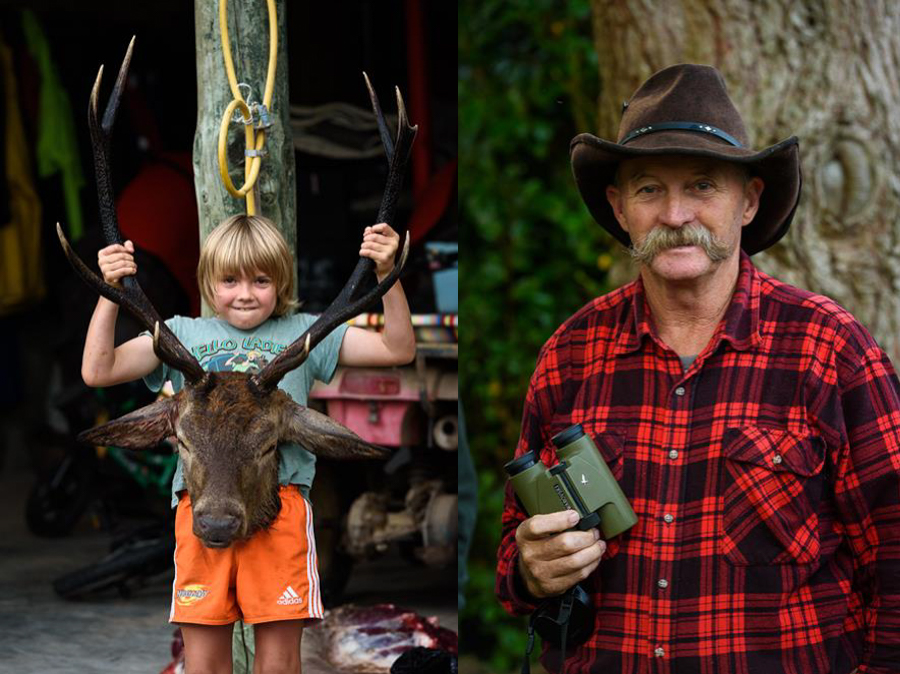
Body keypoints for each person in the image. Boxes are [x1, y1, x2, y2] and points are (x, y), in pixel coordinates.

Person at [496, 63, 900, 673]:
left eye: (704, 185)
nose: (675, 213)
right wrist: (529, 569)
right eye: (649, 188)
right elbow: (512, 553)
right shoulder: (569, 355)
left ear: (748, 202)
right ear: (620, 207)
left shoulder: (830, 348)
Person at [82, 214, 415, 674]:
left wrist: (386, 274)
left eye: (261, 280)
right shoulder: (181, 335)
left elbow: (397, 350)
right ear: (207, 282)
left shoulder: (307, 335)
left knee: (277, 663)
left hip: (280, 512)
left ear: (281, 283)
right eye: (229, 279)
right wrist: (109, 291)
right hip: (198, 507)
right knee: (204, 665)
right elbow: (98, 371)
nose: (245, 293)